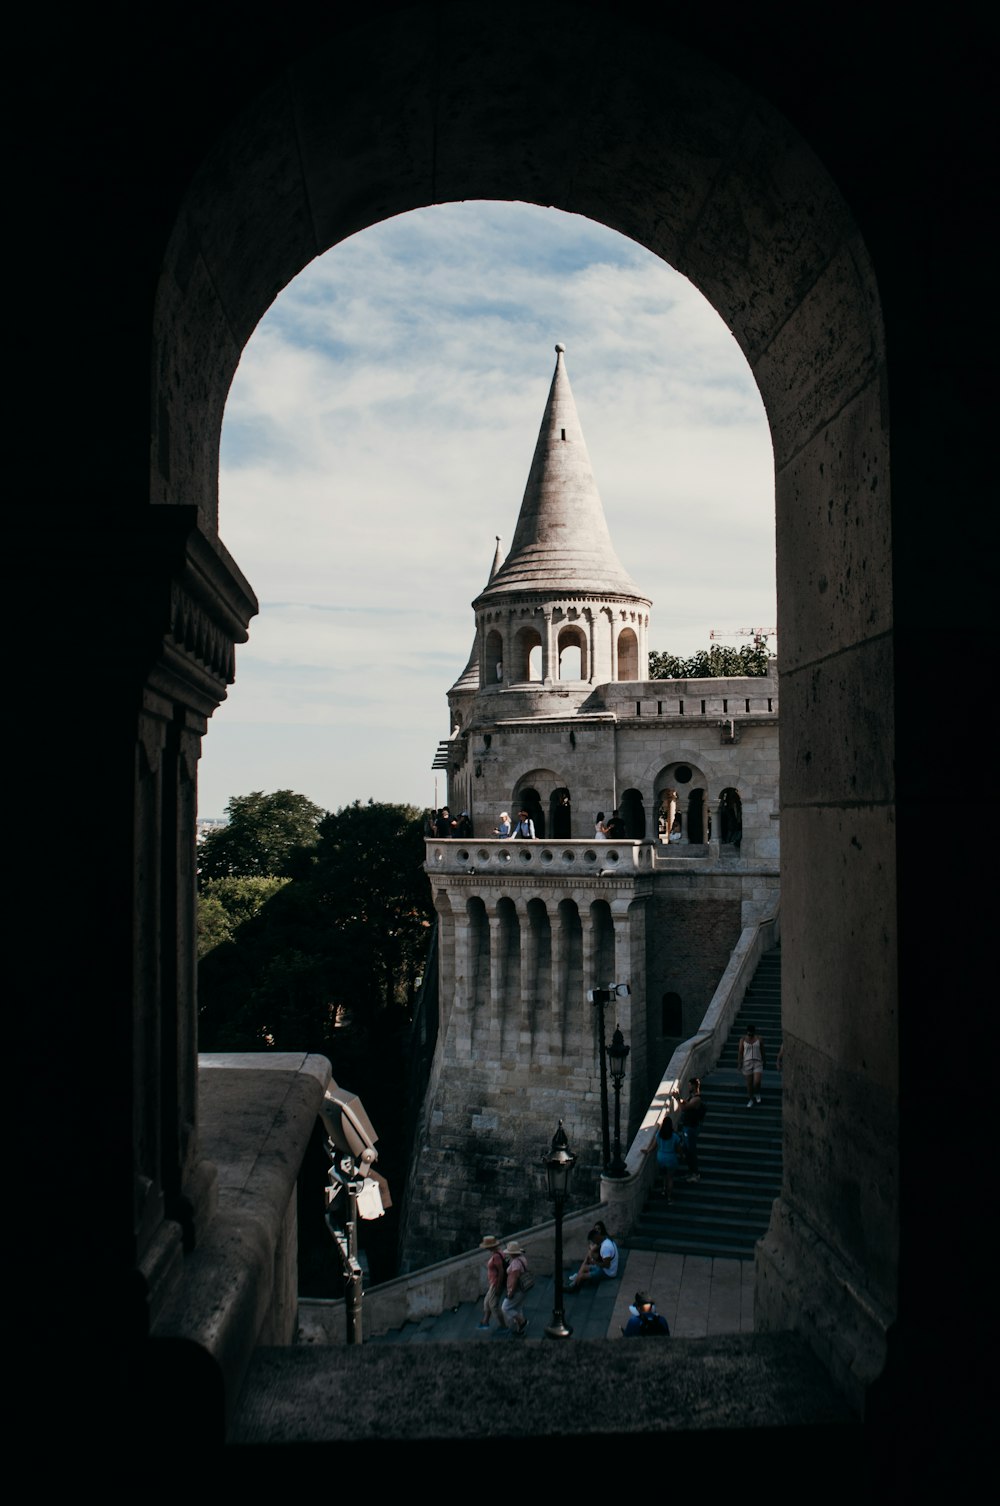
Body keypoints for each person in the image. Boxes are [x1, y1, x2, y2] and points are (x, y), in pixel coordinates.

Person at [567, 1220, 619, 1288]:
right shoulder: (605, 1239)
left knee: (582, 1275)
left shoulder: (605, 1247)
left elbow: (607, 1265)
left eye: (593, 1240)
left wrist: (594, 1262)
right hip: (606, 1268)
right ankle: (576, 1279)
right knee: (584, 1267)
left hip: (608, 1273)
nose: (593, 1242)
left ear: (596, 1237)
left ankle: (573, 1287)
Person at [677, 1075, 706, 1182]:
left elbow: (684, 1108)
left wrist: (677, 1099)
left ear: (694, 1085)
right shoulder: (692, 1097)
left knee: (691, 1151)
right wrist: (680, 1099)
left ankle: (695, 1173)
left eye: (689, 1085)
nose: (688, 1087)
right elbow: (685, 1103)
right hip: (687, 1127)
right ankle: (690, 1172)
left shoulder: (697, 1099)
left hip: (691, 1128)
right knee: (686, 1150)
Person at [477, 1235, 507, 1330]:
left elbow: (501, 1271)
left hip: (495, 1284)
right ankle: (485, 1321)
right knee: (487, 1302)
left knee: (494, 1305)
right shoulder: (498, 1253)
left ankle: (503, 1326)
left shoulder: (496, 1256)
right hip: (493, 1283)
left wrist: (498, 1286)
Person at [501, 1239, 530, 1336]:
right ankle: (520, 1331)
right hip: (523, 1288)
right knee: (518, 1308)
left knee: (505, 1308)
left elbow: (514, 1279)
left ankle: (523, 1322)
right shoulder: (522, 1258)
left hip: (517, 1290)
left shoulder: (515, 1264)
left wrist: (510, 1292)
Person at [654, 1115, 683, 1201]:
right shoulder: (674, 1136)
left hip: (661, 1157)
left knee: (663, 1175)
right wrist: (682, 1155)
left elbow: (654, 1145)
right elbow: (678, 1149)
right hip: (671, 1158)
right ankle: (669, 1197)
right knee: (670, 1177)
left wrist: (647, 1151)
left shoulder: (659, 1134)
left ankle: (663, 1189)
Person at [737, 1021, 766, 1107]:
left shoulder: (759, 1039)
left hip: (757, 1062)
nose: (750, 1035)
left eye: (751, 1033)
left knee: (756, 1082)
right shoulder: (742, 1040)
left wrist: (764, 1060)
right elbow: (740, 1052)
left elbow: (762, 1051)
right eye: (749, 1033)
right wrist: (739, 1063)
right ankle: (750, 1099)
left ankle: (757, 1093)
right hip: (747, 1063)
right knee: (749, 1083)